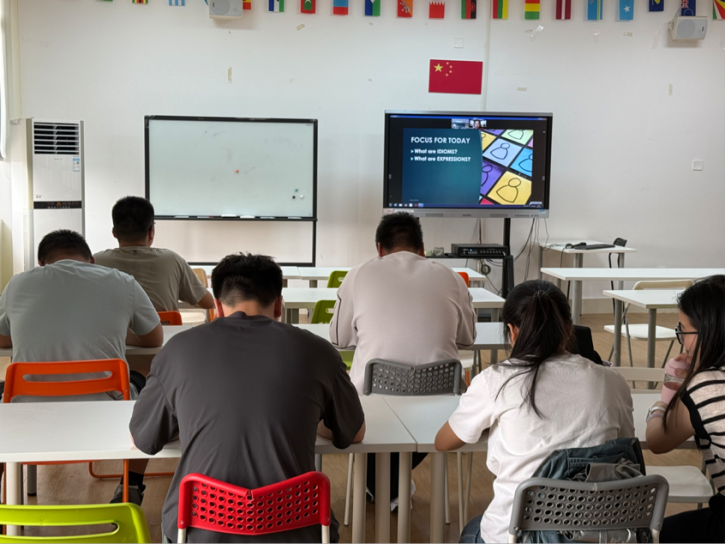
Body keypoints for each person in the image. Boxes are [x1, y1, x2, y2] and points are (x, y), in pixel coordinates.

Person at [130, 253, 365, 544]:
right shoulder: (319, 351)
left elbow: (143, 439)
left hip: (199, 530)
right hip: (297, 529)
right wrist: (310, 419)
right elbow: (354, 433)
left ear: (217, 307)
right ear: (278, 305)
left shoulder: (177, 350)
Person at [435, 280, 634, 544]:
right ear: (569, 328)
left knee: (474, 528)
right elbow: (625, 446)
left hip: (519, 536)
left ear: (512, 331)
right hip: (595, 534)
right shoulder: (612, 381)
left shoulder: (496, 381)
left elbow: (443, 442)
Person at [0, 229, 162, 505]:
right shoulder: (122, 281)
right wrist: (117, 333)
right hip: (107, 407)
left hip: (27, 407)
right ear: (92, 261)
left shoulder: (18, 283)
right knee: (146, 385)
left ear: (41, 264)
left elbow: (2, 338)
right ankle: (132, 483)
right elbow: (153, 338)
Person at [329, 211, 477, 505]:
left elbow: (339, 339)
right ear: (422, 249)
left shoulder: (358, 274)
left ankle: (384, 484)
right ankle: (391, 484)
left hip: (372, 396)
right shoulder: (451, 277)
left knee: (366, 415)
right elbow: (467, 338)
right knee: (420, 423)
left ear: (379, 249)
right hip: (441, 399)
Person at [646, 276, 725, 543]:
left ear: (708, 331)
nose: (683, 343)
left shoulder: (707, 386)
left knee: (646, 536)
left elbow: (657, 440)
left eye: (684, 332)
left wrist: (663, 402)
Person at [94, 196, 214, 312]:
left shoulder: (95, 263)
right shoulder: (172, 260)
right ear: (151, 232)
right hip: (164, 327)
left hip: (114, 327)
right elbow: (208, 303)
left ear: (114, 232)